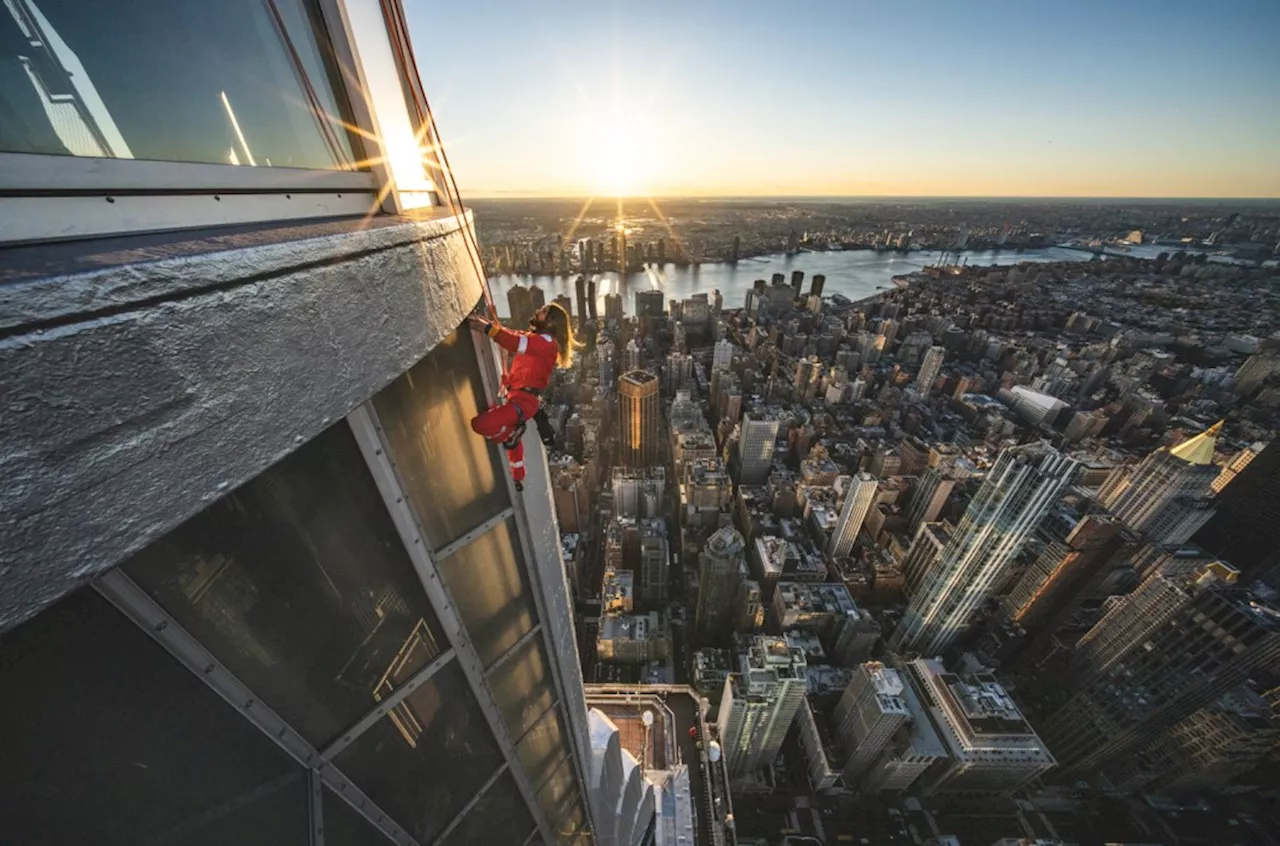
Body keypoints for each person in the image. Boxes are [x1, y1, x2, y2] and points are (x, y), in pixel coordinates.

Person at [468, 301, 576, 490]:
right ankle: (518, 473)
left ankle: (510, 433)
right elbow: (513, 335)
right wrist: (487, 324)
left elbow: (515, 342)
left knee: (480, 424)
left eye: (542, 312)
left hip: (524, 402)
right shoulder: (538, 338)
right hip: (517, 398)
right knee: (510, 439)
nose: (537, 311)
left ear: (550, 322)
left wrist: (488, 329)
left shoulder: (547, 343)